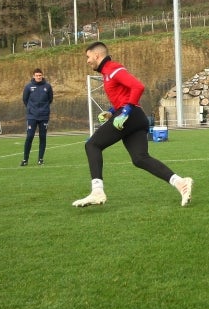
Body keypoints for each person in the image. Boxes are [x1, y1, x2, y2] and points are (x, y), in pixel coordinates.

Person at [73, 42, 193, 208]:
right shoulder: (107, 73)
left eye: (88, 57)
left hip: (131, 116)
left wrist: (125, 111)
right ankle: (181, 183)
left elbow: (138, 86)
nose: (87, 61)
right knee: (139, 158)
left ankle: (97, 191)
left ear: (97, 55)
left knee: (92, 145)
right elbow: (123, 96)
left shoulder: (113, 68)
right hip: (135, 117)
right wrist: (111, 111)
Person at [21, 68, 53, 166]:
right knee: (29, 136)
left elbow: (50, 99)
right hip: (32, 116)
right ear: (33, 76)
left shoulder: (47, 87)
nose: (38, 77)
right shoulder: (28, 87)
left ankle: (40, 159)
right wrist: (31, 109)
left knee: (42, 137)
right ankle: (25, 159)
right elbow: (25, 100)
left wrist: (44, 109)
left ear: (42, 76)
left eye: (40, 75)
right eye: (37, 75)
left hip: (44, 116)